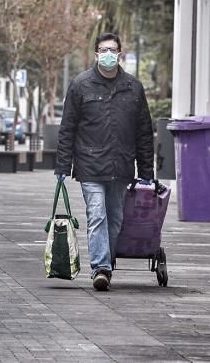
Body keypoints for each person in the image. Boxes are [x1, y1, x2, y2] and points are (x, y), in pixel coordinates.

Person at [54, 32, 153, 292]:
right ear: (96, 54)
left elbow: (144, 131)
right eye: (103, 49)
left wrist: (146, 171)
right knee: (96, 214)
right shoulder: (81, 85)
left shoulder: (133, 88)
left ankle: (105, 262)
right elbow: (67, 128)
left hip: (121, 166)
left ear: (120, 53)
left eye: (112, 49)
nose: (108, 54)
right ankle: (101, 268)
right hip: (90, 165)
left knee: (115, 219)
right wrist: (63, 166)